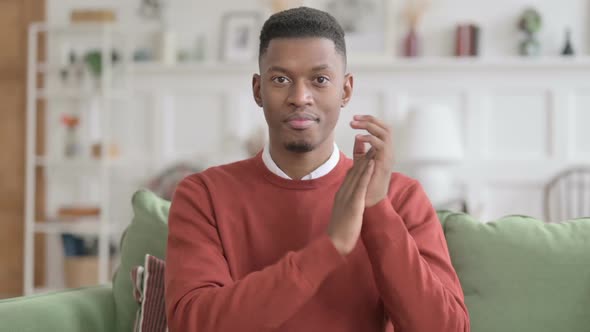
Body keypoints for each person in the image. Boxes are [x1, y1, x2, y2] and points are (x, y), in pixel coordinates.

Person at [165, 6, 469, 332]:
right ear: (258, 90)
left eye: (320, 79)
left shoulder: (401, 196)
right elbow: (192, 323)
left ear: (346, 90)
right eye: (281, 79)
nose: (300, 97)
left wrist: (377, 211)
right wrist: (329, 248)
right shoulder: (203, 194)